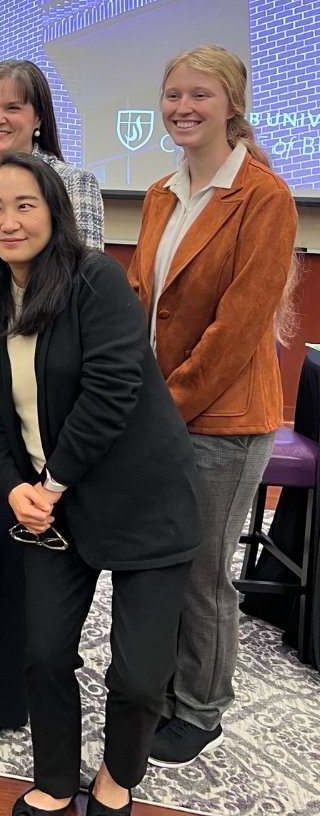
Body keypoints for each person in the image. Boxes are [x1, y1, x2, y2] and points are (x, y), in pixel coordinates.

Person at [0, 152, 200, 816]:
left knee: (137, 677)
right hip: (48, 506)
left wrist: (52, 483)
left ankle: (118, 775)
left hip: (143, 501)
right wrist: (15, 486)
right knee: (43, 653)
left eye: (24, 205)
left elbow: (112, 391)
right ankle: (55, 778)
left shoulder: (94, 279)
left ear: (54, 213)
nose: (8, 221)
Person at [129, 45, 298, 769]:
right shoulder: (163, 191)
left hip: (224, 422)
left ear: (232, 105)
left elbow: (237, 330)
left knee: (201, 568)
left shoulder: (264, 197)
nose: (183, 108)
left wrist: (165, 409)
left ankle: (199, 707)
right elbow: (145, 303)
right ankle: (158, 686)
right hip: (160, 411)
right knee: (160, 560)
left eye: (199, 95)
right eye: (172, 95)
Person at [0, 60, 104, 742]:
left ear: (38, 116)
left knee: (24, 532)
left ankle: (14, 683)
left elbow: (80, 284)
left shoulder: (74, 184)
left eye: (13, 107)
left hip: (38, 377)